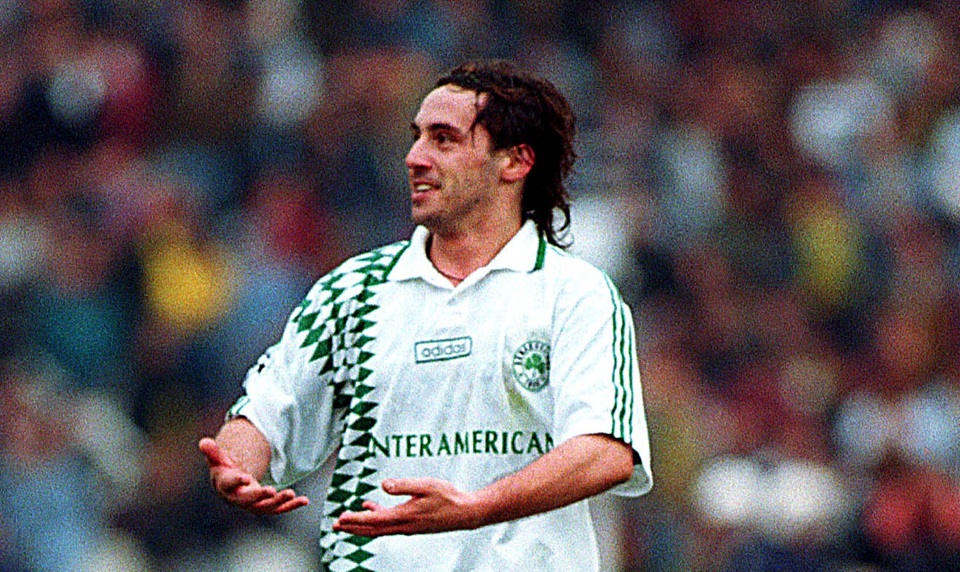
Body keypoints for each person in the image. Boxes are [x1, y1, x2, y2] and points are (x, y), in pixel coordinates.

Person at [200, 59, 652, 571]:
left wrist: (475, 509)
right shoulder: (353, 290)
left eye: (444, 139)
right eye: (416, 137)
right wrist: (236, 465)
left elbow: (606, 452)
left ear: (515, 161)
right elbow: (263, 414)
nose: (414, 157)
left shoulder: (574, 293)